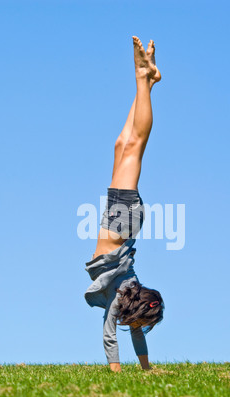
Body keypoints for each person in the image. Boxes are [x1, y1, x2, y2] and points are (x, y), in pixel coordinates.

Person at [85, 36, 164, 372]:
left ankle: (146, 81)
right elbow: (109, 339)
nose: (134, 326)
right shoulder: (124, 296)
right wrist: (117, 373)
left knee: (122, 145)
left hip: (122, 224)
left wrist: (146, 369)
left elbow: (123, 334)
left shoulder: (127, 297)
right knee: (134, 147)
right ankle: (142, 77)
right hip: (121, 224)